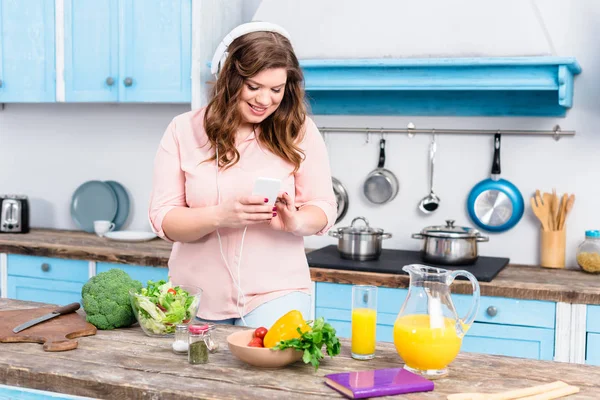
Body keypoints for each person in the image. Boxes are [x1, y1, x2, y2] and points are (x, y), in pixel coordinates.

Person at [148, 22, 337, 328]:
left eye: (276, 89)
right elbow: (163, 219)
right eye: (254, 87)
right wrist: (220, 216)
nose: (265, 100)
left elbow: (323, 206)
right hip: (195, 296)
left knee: (272, 374)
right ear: (228, 79)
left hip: (276, 295)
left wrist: (297, 221)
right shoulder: (183, 130)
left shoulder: (299, 132)